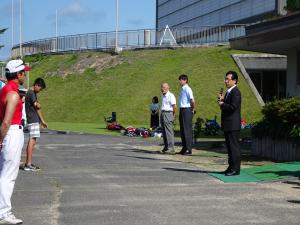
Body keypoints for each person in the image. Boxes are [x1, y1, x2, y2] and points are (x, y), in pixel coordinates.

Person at [0, 59, 31, 224]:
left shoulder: (7, 90)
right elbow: (6, 121)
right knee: (8, 175)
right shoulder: (12, 93)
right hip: (12, 132)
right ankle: (4, 213)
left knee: (4, 173)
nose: (25, 75)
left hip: (10, 133)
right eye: (23, 72)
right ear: (18, 74)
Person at [218, 71, 242, 176]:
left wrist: (223, 104)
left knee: (234, 147)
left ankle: (236, 169)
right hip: (228, 124)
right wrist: (223, 100)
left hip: (233, 124)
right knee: (229, 147)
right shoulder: (229, 91)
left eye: (228, 79)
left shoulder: (236, 92)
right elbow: (228, 104)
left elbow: (233, 107)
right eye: (225, 79)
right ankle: (231, 166)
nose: (225, 81)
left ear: (234, 80)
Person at [24, 78, 47, 172]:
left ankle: (28, 163)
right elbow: (37, 106)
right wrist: (39, 104)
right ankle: (28, 164)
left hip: (33, 119)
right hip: (32, 119)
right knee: (32, 141)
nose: (40, 90)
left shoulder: (31, 93)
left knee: (33, 140)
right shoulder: (31, 93)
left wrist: (42, 121)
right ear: (37, 85)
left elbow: (37, 108)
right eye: (40, 88)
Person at [178, 74, 195, 155]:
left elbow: (192, 100)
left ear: (185, 80)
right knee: (182, 130)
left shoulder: (188, 89)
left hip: (187, 109)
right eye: (179, 79)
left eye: (181, 79)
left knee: (187, 130)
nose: (180, 81)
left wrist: (192, 108)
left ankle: (189, 148)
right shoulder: (182, 89)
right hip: (182, 109)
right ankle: (184, 147)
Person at [160, 83, 176, 154]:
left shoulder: (171, 95)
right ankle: (166, 146)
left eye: (164, 87)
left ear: (168, 88)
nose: (162, 89)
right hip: (163, 113)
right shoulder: (163, 95)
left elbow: (174, 106)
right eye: (162, 87)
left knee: (169, 131)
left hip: (168, 113)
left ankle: (171, 148)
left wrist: (173, 115)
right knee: (164, 131)